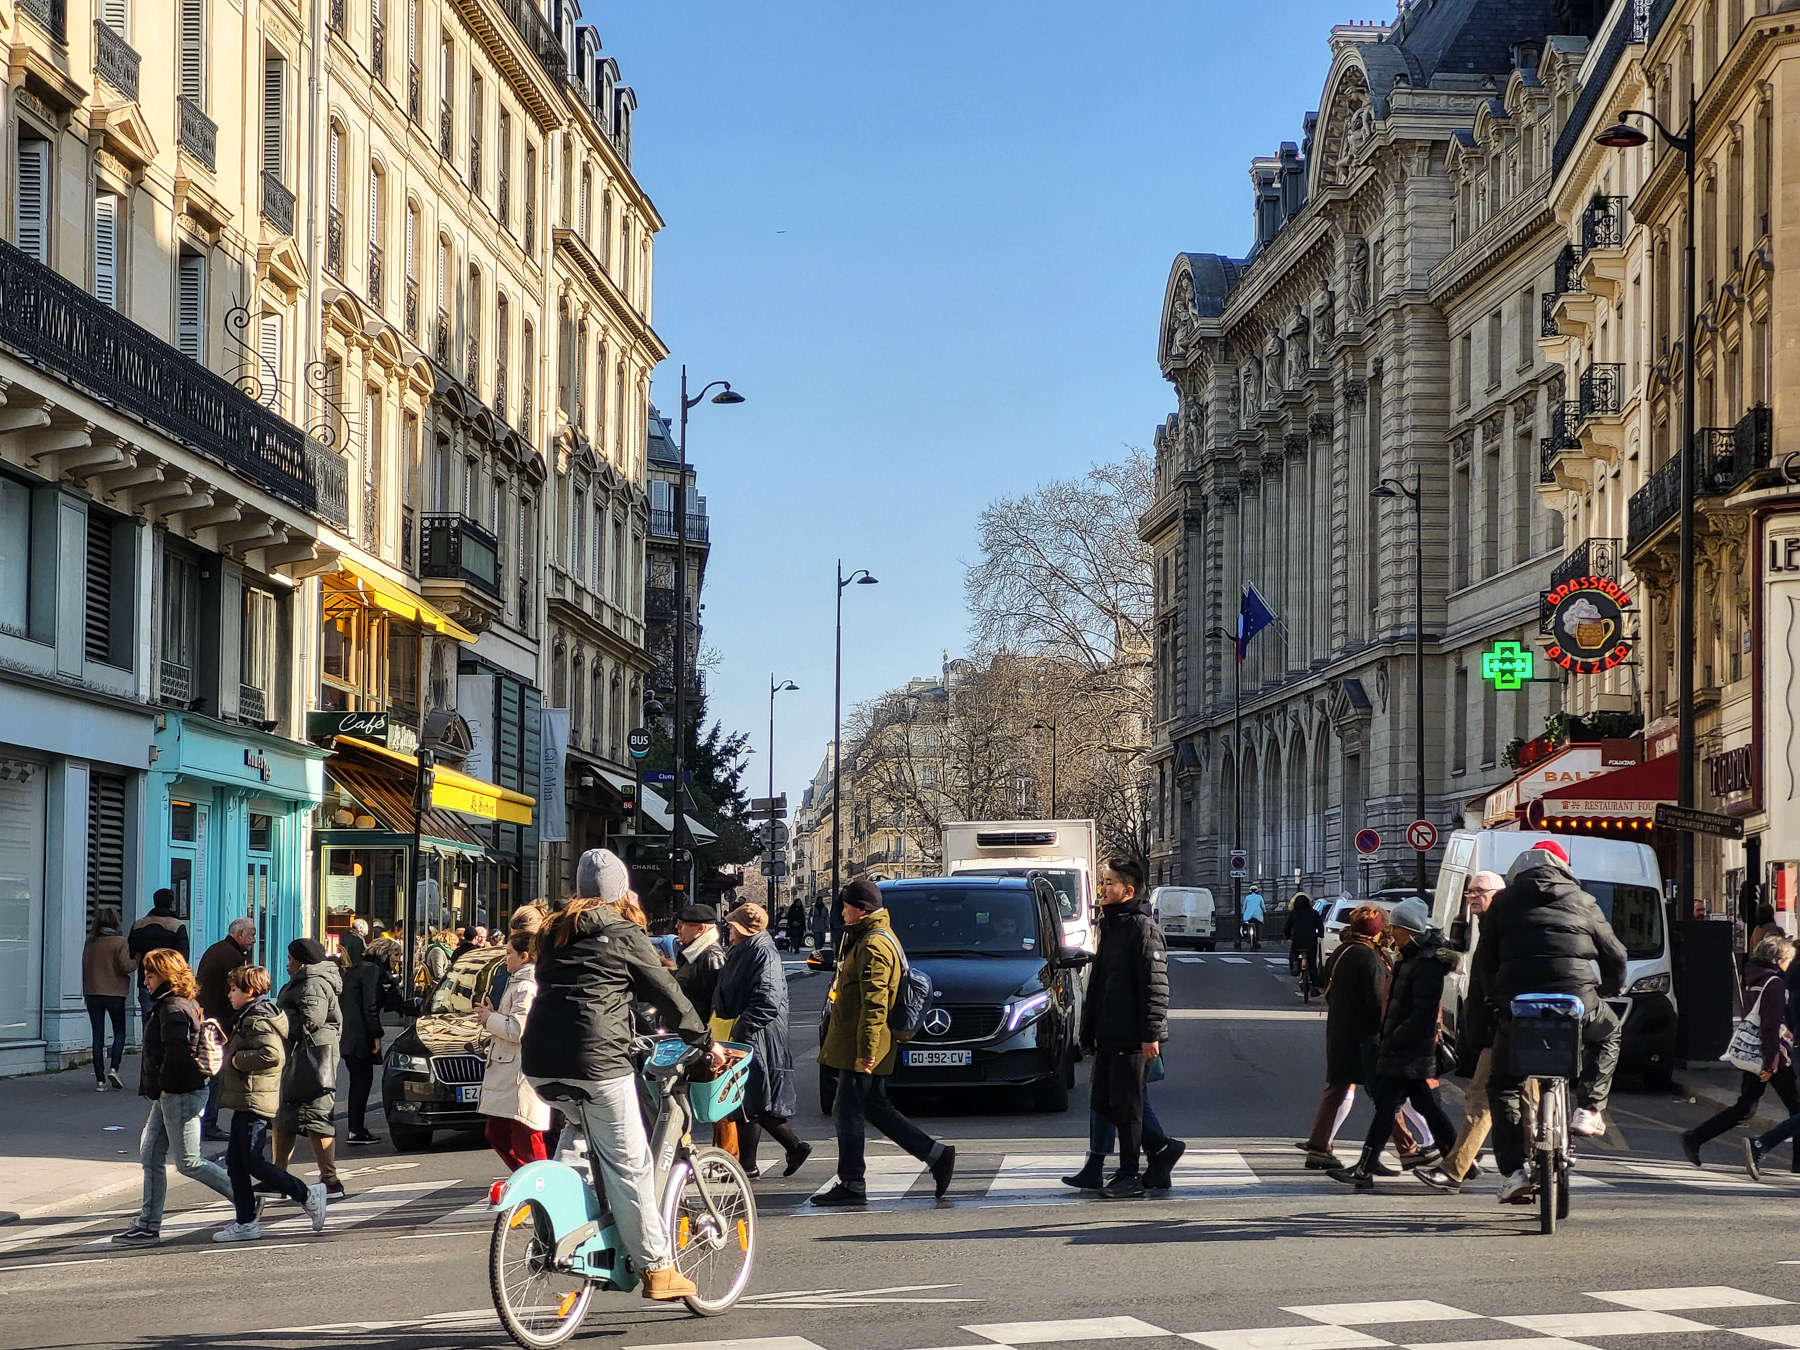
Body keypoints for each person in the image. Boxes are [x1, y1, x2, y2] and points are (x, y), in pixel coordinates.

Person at [521, 848, 715, 1301]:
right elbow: (665, 991)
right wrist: (705, 1040)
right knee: (631, 1164)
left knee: (578, 1137)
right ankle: (657, 1267)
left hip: (541, 1062)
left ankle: (561, 1231)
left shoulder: (553, 932)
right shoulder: (622, 931)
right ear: (618, 890)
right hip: (598, 1061)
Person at [1479, 839, 1627, 1203]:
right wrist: (1608, 987)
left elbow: (1484, 960)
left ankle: (1513, 1172)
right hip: (1576, 999)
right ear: (1563, 868)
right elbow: (1616, 953)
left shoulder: (1502, 903)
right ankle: (1589, 1109)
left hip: (1521, 1005)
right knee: (1609, 1034)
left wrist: (1497, 1002)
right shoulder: (1583, 900)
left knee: (1503, 1085)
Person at [814, 878, 957, 1206]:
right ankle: (937, 1156)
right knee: (875, 1108)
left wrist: (866, 1051)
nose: (843, 912)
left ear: (861, 911)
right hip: (860, 1043)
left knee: (846, 1111)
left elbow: (875, 1003)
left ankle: (852, 1183)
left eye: (847, 907)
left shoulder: (874, 945)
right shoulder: (862, 938)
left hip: (864, 1047)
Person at [1329, 898, 1460, 1190]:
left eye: (1397, 927)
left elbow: (1422, 1013)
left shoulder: (1426, 962)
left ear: (1410, 930)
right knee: (1418, 1106)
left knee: (1388, 1106)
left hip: (1410, 1048)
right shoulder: (1409, 956)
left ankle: (1364, 1169)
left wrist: (1393, 1038)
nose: (1391, 932)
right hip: (1404, 1047)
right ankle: (1462, 1161)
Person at [110, 949, 235, 1246]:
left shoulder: (174, 1008)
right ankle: (148, 1225)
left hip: (179, 1093)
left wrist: (165, 1086)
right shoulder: (174, 1004)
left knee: (189, 1162)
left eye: (150, 974)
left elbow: (178, 1056)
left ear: (166, 975)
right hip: (171, 1094)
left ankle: (245, 1200)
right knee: (151, 1156)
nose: (145, 981)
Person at [1078, 859, 1178, 1200]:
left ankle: (1129, 1175)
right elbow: (1100, 985)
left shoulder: (1142, 928)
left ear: (1128, 890)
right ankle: (1163, 1150)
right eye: (1103, 882)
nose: (1103, 889)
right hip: (1109, 1033)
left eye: (1108, 883)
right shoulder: (1112, 925)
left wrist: (1150, 1034)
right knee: (1104, 1103)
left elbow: (1155, 987)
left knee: (1128, 1107)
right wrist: (1088, 1030)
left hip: (1133, 1037)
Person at [213, 965, 327, 1242]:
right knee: (236, 1163)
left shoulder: (257, 1019)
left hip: (255, 1097)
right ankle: (246, 1221)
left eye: (234, 990)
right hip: (247, 1097)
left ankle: (305, 1193)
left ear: (249, 991)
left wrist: (238, 1060)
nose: (229, 995)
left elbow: (271, 1055)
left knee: (251, 1161)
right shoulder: (251, 1015)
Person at [1298, 905, 1413, 1170]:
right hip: (1366, 1037)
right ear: (1377, 931)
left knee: (1337, 1088)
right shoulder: (1368, 957)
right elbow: (1376, 1000)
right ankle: (1408, 1149)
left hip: (1342, 1032)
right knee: (1385, 1096)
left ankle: (1318, 1146)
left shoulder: (1343, 951)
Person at [1418, 871, 1505, 1193]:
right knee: (1518, 1105)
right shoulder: (1490, 925)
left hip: (1505, 1029)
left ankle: (1455, 1169)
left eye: (1478, 891)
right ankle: (1533, 1167)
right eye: (1469, 891)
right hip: (1502, 1029)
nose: (1471, 897)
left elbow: (1492, 983)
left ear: (1498, 893)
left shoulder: (1502, 927)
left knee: (1482, 1100)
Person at [714, 902, 810, 1180]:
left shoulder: (761, 952)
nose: (729, 930)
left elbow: (768, 999)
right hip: (749, 1033)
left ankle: (792, 1147)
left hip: (757, 1036)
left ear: (744, 930)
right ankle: (751, 1164)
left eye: (732, 926)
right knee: (747, 1101)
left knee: (751, 1101)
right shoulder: (749, 949)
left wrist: (742, 1027)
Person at [1690, 935, 1800, 1173]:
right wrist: (1771, 1062)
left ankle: (1696, 1137)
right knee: (1797, 1107)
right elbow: (1770, 1026)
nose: (1790, 964)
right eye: (1789, 959)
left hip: (1752, 1051)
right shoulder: (1774, 983)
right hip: (1770, 1054)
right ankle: (1785, 1157)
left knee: (1745, 1107)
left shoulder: (1753, 977)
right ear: (1780, 959)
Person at [272, 939, 345, 1198]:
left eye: (290, 958)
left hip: (313, 1058)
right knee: (285, 1117)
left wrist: (277, 1021)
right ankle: (278, 1175)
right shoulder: (307, 980)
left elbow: (311, 1022)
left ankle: (330, 1180)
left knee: (317, 1118)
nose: (287, 963)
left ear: (302, 960)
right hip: (303, 1056)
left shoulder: (312, 982)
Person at [476, 931, 551, 1171]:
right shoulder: (517, 981)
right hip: (509, 1071)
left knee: (525, 1138)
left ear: (524, 956)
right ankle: (527, 1181)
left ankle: (537, 1185)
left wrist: (490, 1019)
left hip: (519, 1073)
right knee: (498, 1132)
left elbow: (518, 1029)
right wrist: (493, 1015)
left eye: (509, 953)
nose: (505, 958)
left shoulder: (526, 985)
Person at [195, 917, 257, 1140]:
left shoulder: (218, 950)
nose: (254, 940)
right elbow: (233, 994)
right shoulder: (230, 956)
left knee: (213, 1073)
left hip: (212, 1019)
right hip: (220, 1024)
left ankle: (205, 1122)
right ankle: (208, 1123)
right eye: (251, 934)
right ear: (239, 934)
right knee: (216, 1075)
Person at [82, 907, 135, 1091]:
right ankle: (114, 1068)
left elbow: (86, 966)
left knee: (98, 1036)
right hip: (115, 994)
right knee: (119, 1032)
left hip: (93, 993)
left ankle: (99, 1081)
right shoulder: (120, 942)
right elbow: (126, 966)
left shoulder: (91, 943)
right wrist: (138, 959)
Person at [338, 935, 383, 1145]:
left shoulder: (355, 969)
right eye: (395, 954)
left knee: (358, 1082)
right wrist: (376, 1035)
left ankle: (355, 1128)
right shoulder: (371, 971)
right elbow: (370, 1005)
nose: (398, 959)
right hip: (360, 1036)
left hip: (348, 1035)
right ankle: (356, 1129)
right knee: (362, 1083)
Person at [128, 889, 189, 1026]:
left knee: (148, 1022)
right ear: (171, 904)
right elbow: (182, 957)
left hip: (146, 978)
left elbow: (131, 952)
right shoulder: (176, 926)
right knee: (169, 1019)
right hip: (170, 981)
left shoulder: (139, 925)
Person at [673, 903, 727, 1024]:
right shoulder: (691, 951)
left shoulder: (710, 956)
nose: (677, 927)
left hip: (696, 1032)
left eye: (682, 924)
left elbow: (716, 1004)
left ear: (700, 929)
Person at [1287, 891, 1321, 992]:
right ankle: (1314, 986)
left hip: (1298, 939)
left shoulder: (1293, 914)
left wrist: (1288, 936)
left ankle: (1295, 963)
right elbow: (1320, 926)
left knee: (1294, 951)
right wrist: (1320, 934)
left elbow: (1288, 926)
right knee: (1312, 963)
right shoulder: (1314, 913)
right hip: (1311, 940)